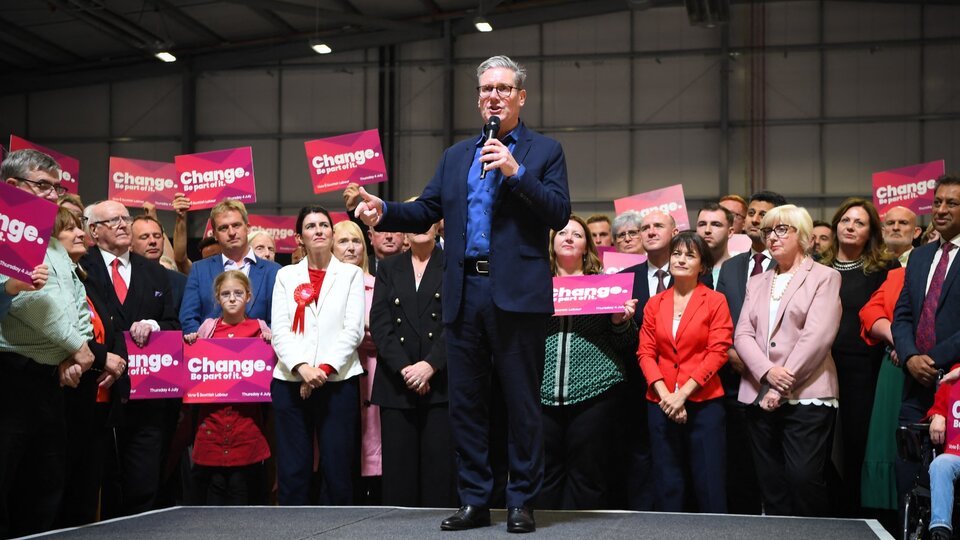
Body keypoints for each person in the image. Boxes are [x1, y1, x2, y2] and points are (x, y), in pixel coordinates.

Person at [354, 55, 570, 533]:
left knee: (521, 404)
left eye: (503, 88)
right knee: (467, 403)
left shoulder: (545, 151)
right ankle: (475, 499)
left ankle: (521, 502)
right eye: (486, 88)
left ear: (521, 97)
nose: (493, 95)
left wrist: (516, 172)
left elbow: (558, 213)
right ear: (479, 98)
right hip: (463, 288)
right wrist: (383, 209)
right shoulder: (456, 156)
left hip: (516, 293)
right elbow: (428, 208)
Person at [0, 149, 94, 537]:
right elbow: (26, 301)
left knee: (46, 483)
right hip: (11, 377)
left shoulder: (53, 242)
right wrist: (76, 346)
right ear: (11, 187)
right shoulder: (6, 234)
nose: (54, 195)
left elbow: (77, 302)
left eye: (57, 187)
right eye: (43, 185)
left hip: (51, 379)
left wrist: (75, 355)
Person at [736, 204, 841, 517]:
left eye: (782, 229)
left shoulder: (825, 277)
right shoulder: (756, 281)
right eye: (768, 230)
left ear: (804, 237)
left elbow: (817, 337)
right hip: (758, 392)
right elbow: (742, 335)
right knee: (771, 484)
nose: (772, 236)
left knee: (803, 479)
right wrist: (767, 373)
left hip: (807, 393)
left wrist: (780, 385)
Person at [80, 200, 180, 517]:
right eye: (113, 221)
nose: (124, 224)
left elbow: (173, 324)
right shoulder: (81, 266)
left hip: (146, 395)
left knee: (143, 483)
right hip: (96, 390)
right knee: (97, 480)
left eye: (125, 218)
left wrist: (153, 325)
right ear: (93, 230)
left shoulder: (154, 271)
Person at [539, 216, 636, 510]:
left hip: (595, 392)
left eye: (577, 235)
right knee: (545, 474)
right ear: (552, 244)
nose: (569, 238)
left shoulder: (606, 285)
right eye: (563, 233)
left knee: (588, 474)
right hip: (540, 392)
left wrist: (620, 322)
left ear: (586, 246)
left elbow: (624, 344)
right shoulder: (535, 285)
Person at [271, 205, 365, 505]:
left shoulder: (350, 274)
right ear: (300, 237)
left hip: (338, 381)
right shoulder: (286, 276)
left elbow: (353, 330)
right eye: (311, 227)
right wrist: (302, 368)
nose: (319, 231)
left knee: (338, 470)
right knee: (293, 470)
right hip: (290, 381)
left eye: (324, 225)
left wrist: (321, 370)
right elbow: (280, 331)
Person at [638, 231, 732, 512]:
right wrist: (667, 396)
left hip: (705, 404)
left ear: (702, 266)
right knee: (667, 483)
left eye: (690, 255)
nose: (681, 259)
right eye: (677, 253)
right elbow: (645, 353)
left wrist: (683, 395)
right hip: (660, 402)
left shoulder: (716, 301)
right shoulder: (655, 303)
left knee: (710, 484)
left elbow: (718, 353)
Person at [819, 197, 897, 517]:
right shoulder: (816, 266)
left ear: (871, 233)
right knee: (820, 445)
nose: (850, 227)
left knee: (855, 442)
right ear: (836, 225)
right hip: (819, 368)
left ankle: (855, 515)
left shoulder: (884, 268)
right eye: (846, 220)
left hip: (863, 370)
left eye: (859, 223)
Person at [369, 220, 455, 507]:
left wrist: (430, 366)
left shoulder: (452, 264)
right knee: (399, 478)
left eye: (426, 220)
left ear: (438, 227)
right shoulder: (390, 267)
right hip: (398, 382)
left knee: (439, 474)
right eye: (412, 221)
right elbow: (380, 325)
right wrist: (407, 369)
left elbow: (458, 322)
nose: (419, 226)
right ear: (404, 230)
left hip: (441, 381)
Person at [713, 190, 787, 515]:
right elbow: (718, 317)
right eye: (752, 213)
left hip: (779, 381)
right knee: (740, 467)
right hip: (734, 378)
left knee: (776, 469)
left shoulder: (791, 266)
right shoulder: (731, 268)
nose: (755, 219)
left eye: (763, 214)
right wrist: (730, 351)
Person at [892, 174, 960, 524]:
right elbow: (902, 314)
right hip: (914, 378)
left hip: (955, 381)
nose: (942, 210)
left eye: (952, 203)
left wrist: (933, 360)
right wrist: (909, 356)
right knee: (907, 464)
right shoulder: (919, 258)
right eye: (937, 203)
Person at [52, 207, 126, 527]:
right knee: (60, 490)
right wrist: (100, 357)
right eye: (69, 229)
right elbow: (55, 326)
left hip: (96, 398)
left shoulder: (83, 276)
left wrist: (110, 362)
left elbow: (111, 323)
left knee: (85, 491)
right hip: (65, 395)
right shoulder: (49, 278)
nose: (80, 233)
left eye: (79, 227)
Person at [182, 270, 272, 505]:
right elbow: (193, 371)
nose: (232, 298)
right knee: (214, 493)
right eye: (226, 294)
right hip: (212, 421)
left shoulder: (260, 330)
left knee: (242, 492)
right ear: (217, 298)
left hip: (247, 424)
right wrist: (191, 344)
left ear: (249, 296)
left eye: (238, 293)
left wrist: (271, 344)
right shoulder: (206, 331)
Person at [615, 209, 677, 512]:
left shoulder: (692, 274)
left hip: (685, 386)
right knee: (639, 456)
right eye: (646, 228)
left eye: (658, 226)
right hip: (637, 385)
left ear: (675, 233)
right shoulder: (624, 279)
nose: (650, 232)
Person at [331, 220, 382, 503]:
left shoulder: (379, 285)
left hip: (374, 374)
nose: (351, 247)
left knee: (374, 448)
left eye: (357, 241)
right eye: (343, 241)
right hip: (337, 378)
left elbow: (383, 334)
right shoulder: (324, 287)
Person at [180, 199, 280, 334]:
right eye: (223, 228)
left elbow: (280, 321)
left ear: (248, 228)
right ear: (214, 234)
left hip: (259, 352)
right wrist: (203, 346)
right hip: (209, 352)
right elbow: (188, 318)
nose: (231, 232)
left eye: (236, 225)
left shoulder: (274, 271)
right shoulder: (199, 270)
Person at [925, 366, 960, 540]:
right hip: (956, 453)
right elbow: (938, 406)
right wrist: (938, 416)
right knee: (940, 464)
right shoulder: (954, 375)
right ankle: (940, 530)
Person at [131, 215, 187, 315]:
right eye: (144, 237)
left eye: (157, 236)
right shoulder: (121, 280)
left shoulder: (181, 282)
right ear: (130, 244)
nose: (153, 241)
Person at [696, 203, 735, 287]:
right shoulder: (687, 269)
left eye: (716, 225)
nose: (707, 230)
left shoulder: (740, 269)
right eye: (702, 224)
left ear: (730, 232)